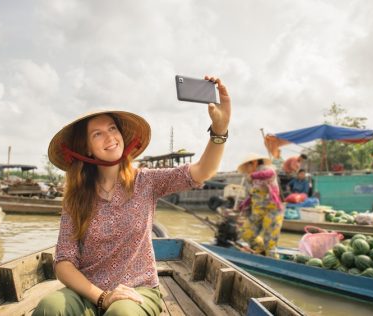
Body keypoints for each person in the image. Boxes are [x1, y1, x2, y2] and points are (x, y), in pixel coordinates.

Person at [33, 76, 230, 316]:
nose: (110, 137)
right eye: (97, 134)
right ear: (86, 148)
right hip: (90, 291)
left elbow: (201, 172)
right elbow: (63, 262)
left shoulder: (145, 181)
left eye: (112, 129)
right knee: (50, 307)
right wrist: (102, 297)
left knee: (122, 314)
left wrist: (219, 130)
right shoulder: (76, 198)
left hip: (138, 289)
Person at [236, 155, 285, 258]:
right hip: (258, 212)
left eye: (247, 166)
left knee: (270, 241)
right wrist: (242, 205)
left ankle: (272, 260)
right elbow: (253, 194)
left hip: (272, 211)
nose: (247, 170)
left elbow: (270, 174)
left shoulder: (267, 170)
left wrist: (252, 176)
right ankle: (260, 250)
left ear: (253, 163)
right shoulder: (255, 178)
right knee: (246, 233)